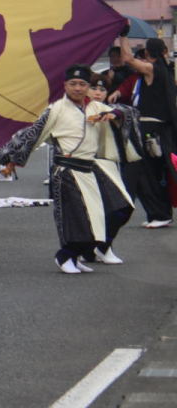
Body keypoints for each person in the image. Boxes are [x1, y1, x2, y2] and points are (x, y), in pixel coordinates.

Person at [0, 64, 132, 273]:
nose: (77, 88)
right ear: (65, 85)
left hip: (88, 170)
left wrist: (115, 115)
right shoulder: (56, 109)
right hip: (66, 171)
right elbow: (34, 133)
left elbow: (128, 112)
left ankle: (75, 256)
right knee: (76, 218)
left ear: (88, 86)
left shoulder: (95, 107)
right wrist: (12, 160)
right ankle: (65, 255)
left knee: (94, 218)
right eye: (73, 84)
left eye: (82, 84)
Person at [112, 34, 177, 228]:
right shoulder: (167, 71)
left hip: (150, 129)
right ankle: (159, 213)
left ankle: (161, 214)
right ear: (164, 52)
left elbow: (128, 59)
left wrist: (123, 37)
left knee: (148, 174)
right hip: (161, 129)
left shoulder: (152, 69)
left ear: (147, 53)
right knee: (152, 173)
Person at [85, 72, 143, 264]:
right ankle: (90, 249)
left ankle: (102, 246)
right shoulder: (74, 109)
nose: (97, 92)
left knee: (121, 207)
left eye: (102, 89)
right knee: (91, 211)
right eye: (93, 88)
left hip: (106, 164)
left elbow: (127, 111)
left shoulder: (106, 108)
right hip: (81, 166)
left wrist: (113, 114)